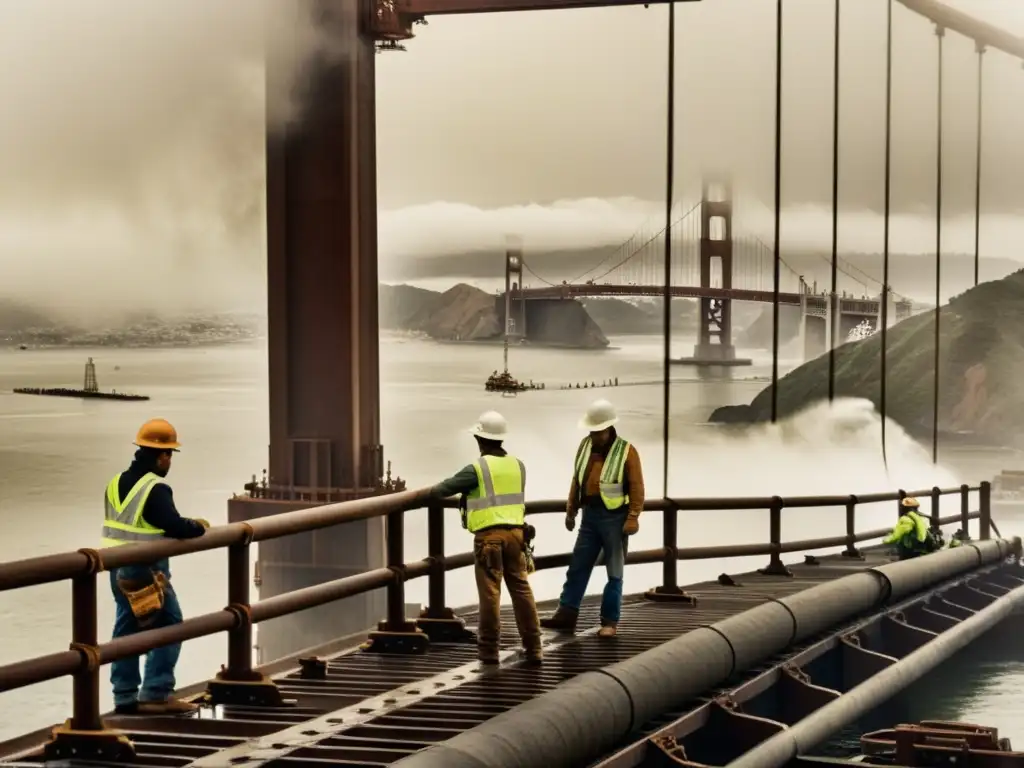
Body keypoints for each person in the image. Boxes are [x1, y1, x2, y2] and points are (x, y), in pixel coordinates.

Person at [102, 419, 210, 715]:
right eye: (170, 454)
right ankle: (156, 692)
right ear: (161, 455)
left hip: (116, 569)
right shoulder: (155, 487)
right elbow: (174, 525)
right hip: (146, 571)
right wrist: (198, 526)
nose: (170, 460)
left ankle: (123, 696)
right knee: (170, 624)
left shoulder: (115, 483)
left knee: (125, 629)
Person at [425, 411, 542, 666]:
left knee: (490, 595)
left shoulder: (477, 468)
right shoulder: (518, 465)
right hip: (517, 535)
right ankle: (534, 647)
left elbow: (440, 491)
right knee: (522, 590)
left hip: (489, 538)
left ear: (479, 438)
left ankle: (489, 652)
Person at [541, 399, 644, 638]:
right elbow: (577, 479)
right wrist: (571, 509)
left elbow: (637, 486)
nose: (594, 435)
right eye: (592, 431)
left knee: (614, 571)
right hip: (589, 515)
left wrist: (633, 517)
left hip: (615, 517)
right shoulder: (585, 446)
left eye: (598, 431)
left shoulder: (627, 451)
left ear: (609, 429)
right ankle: (567, 613)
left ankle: (609, 621)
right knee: (578, 564)